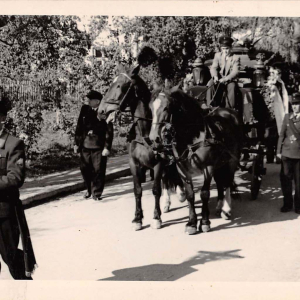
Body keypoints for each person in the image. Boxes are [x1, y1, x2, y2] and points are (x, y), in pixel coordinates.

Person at [0, 99, 36, 279]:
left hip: (4, 212)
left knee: (12, 258)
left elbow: (15, 178)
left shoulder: (13, 144)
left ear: (2, 118)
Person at [74, 90, 113, 201]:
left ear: (97, 101)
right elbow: (79, 127)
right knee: (84, 169)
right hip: (85, 145)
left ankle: (96, 193)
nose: (88, 101)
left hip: (98, 146)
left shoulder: (105, 112)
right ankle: (89, 189)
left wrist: (107, 147)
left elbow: (109, 131)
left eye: (90, 99)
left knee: (98, 170)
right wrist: (76, 143)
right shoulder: (85, 109)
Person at [277, 93, 300, 214]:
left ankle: (298, 206)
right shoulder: (287, 117)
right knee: (286, 181)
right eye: (294, 104)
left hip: (298, 155)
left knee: (299, 184)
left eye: (297, 104)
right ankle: (287, 204)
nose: (295, 106)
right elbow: (281, 135)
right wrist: (278, 152)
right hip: (286, 154)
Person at [206, 36, 241, 110]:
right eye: (223, 49)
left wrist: (225, 79)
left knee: (232, 87)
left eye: (227, 48)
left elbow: (235, 71)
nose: (225, 51)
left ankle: (230, 109)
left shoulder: (235, 58)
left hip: (229, 80)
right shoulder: (217, 55)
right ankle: (210, 106)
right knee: (210, 84)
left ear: (231, 48)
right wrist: (215, 76)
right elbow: (214, 67)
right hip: (219, 78)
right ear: (221, 49)